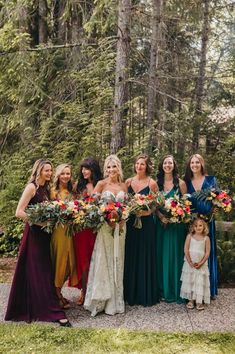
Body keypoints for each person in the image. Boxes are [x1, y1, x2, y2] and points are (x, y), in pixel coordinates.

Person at [5, 159, 70, 326]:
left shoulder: (45, 188)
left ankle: (38, 302)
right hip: (34, 234)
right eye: (46, 170)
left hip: (45, 235)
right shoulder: (32, 187)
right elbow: (19, 212)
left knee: (40, 269)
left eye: (50, 170)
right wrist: (39, 222)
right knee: (40, 270)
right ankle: (51, 309)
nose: (49, 173)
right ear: (39, 170)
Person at [84, 155, 127, 316]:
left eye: (114, 167)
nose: (111, 170)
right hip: (105, 228)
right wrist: (105, 217)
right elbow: (92, 206)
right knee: (105, 260)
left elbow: (127, 206)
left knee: (118, 260)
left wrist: (123, 219)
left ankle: (115, 301)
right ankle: (102, 300)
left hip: (120, 228)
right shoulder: (101, 184)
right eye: (108, 167)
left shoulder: (124, 185)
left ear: (119, 168)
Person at [124, 154, 159, 306]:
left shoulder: (152, 183)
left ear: (147, 166)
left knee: (145, 255)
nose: (139, 167)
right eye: (137, 164)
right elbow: (124, 202)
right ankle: (131, 293)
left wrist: (147, 212)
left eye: (142, 164)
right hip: (131, 223)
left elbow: (157, 204)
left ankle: (146, 293)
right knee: (132, 254)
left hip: (146, 224)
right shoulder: (128, 182)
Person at [184, 154, 218, 298]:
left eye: (197, 162)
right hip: (192, 224)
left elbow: (219, 199)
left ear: (202, 164)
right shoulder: (186, 182)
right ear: (189, 165)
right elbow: (183, 202)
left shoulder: (211, 180)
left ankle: (207, 291)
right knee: (193, 253)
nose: (195, 165)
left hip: (207, 222)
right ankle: (192, 292)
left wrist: (217, 206)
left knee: (206, 253)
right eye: (192, 162)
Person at [155, 155, 187, 303]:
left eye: (170, 163)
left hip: (176, 226)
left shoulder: (180, 184)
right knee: (161, 256)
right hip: (161, 225)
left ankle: (175, 289)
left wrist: (175, 216)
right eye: (165, 163)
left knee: (175, 256)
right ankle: (162, 289)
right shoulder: (157, 184)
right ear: (162, 165)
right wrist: (161, 217)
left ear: (174, 165)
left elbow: (186, 205)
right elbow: (153, 204)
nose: (167, 165)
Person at [72, 157, 102, 305]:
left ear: (94, 169)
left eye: (87, 168)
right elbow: (73, 205)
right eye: (82, 168)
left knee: (94, 259)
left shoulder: (100, 184)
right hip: (82, 229)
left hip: (96, 228)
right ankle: (84, 291)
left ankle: (94, 291)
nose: (84, 171)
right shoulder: (78, 185)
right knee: (83, 260)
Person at [50, 164, 78, 309]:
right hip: (59, 231)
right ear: (58, 175)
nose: (66, 176)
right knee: (59, 261)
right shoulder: (53, 192)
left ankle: (58, 291)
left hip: (71, 231)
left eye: (68, 173)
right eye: (63, 174)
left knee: (69, 263)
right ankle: (56, 294)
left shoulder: (72, 192)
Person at [180, 217, 211, 310]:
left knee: (199, 281)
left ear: (204, 226)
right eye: (196, 226)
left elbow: (207, 252)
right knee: (190, 281)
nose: (198, 227)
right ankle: (190, 300)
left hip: (200, 264)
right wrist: (189, 262)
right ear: (193, 227)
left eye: (200, 225)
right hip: (190, 263)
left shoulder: (206, 238)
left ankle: (199, 301)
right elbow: (186, 249)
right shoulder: (189, 236)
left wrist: (201, 263)